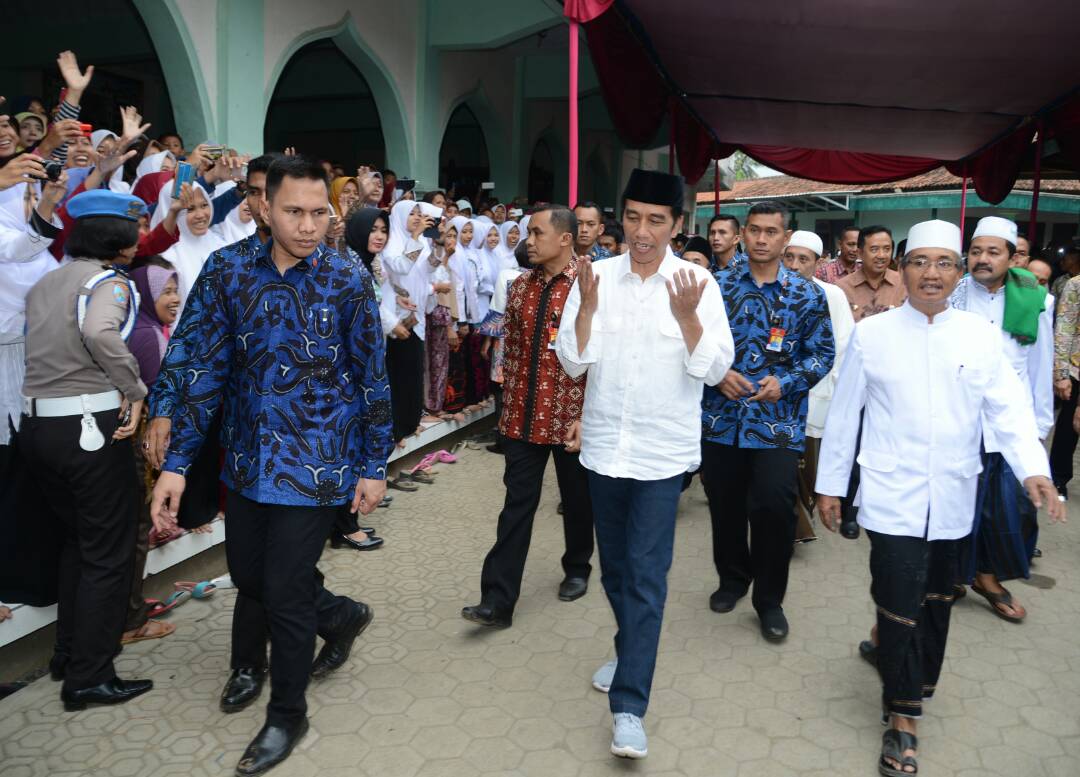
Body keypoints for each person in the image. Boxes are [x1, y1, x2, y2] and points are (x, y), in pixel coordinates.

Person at [150, 156, 392, 776]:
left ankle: (288, 713)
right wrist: (176, 462)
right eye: (294, 211)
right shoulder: (227, 270)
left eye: (320, 212)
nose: (309, 225)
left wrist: (373, 463)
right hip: (245, 457)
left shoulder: (346, 277)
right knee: (250, 576)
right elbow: (200, 365)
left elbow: (371, 377)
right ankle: (340, 616)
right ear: (263, 207)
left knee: (282, 588)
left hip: (318, 460)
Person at [815, 218, 1063, 777]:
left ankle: (899, 659)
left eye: (943, 264)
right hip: (889, 492)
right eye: (920, 262)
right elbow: (845, 413)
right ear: (903, 268)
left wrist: (1033, 469)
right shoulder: (872, 335)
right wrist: (830, 485)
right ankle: (903, 719)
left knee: (937, 601)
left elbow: (1008, 409)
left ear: (956, 274)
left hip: (954, 493)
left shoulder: (978, 336)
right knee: (901, 596)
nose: (931, 273)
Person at [556, 169, 734, 760]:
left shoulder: (698, 282)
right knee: (614, 570)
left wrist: (687, 318)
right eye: (632, 217)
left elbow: (714, 370)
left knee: (648, 576)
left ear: (677, 226)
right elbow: (574, 364)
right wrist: (584, 308)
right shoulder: (594, 275)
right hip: (605, 448)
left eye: (656, 220)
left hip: (663, 454)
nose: (642, 231)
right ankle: (629, 646)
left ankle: (630, 705)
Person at [19, 189, 153, 710]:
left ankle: (69, 655)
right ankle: (89, 677)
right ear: (118, 238)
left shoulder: (48, 281)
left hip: (40, 428)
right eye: (136, 228)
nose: (140, 236)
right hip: (90, 428)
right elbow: (100, 333)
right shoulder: (109, 283)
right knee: (108, 554)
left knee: (79, 543)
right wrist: (136, 388)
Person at [702, 203, 834, 641]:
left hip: (778, 424)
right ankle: (733, 579)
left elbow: (823, 354)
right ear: (742, 235)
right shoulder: (715, 286)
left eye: (771, 232)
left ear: (786, 237)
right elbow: (691, 344)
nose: (762, 239)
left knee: (774, 509)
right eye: (754, 230)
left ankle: (770, 600)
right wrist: (716, 374)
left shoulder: (807, 294)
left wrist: (789, 381)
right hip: (721, 420)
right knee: (725, 505)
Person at [462, 205, 594, 627]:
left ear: (565, 239)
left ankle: (577, 568)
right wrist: (506, 411)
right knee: (516, 506)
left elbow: (602, 358)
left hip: (569, 417)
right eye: (527, 234)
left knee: (577, 501)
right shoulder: (520, 287)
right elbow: (513, 352)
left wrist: (589, 414)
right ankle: (497, 602)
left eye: (536, 234)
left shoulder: (590, 287)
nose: (528, 242)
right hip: (522, 417)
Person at [948, 216, 1053, 622]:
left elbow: (1040, 367)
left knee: (1010, 507)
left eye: (993, 252)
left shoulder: (1036, 300)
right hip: (961, 420)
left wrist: (1039, 428)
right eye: (976, 251)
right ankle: (955, 574)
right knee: (960, 501)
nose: (982, 259)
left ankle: (987, 576)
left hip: (1012, 423)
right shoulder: (950, 294)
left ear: (1012, 257)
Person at [780, 231, 855, 543]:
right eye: (789, 257)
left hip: (817, 392)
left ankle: (800, 518)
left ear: (817, 262)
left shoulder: (831, 295)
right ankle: (793, 528)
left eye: (803, 259)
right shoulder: (775, 291)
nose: (795, 266)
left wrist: (827, 385)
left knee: (807, 466)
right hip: (778, 393)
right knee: (781, 466)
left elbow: (843, 345)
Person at [122, 259, 181, 645]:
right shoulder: (148, 337)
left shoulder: (143, 328)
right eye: (166, 292)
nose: (174, 299)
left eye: (176, 289)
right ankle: (131, 621)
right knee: (135, 533)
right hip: (141, 445)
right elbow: (157, 402)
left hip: (131, 444)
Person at [1050, 266, 1080, 500]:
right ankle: (1058, 479)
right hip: (1076, 367)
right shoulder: (1075, 285)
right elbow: (1064, 327)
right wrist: (1061, 373)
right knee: (1069, 427)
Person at [835, 226, 906, 321]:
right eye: (874, 249)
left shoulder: (904, 283)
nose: (881, 255)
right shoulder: (842, 288)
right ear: (860, 253)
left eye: (887, 249)